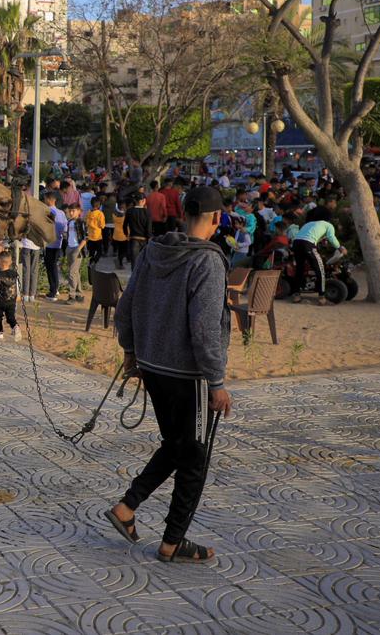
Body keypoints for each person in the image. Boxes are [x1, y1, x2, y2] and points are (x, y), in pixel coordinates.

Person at [107, 185, 232, 564]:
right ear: (215, 218)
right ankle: (173, 541)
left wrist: (131, 351)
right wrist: (217, 382)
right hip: (189, 375)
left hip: (153, 368)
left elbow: (125, 306)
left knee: (177, 445)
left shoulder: (152, 251)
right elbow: (205, 328)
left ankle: (127, 508)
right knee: (194, 456)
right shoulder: (207, 261)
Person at [291, 214, 341, 305]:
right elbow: (331, 237)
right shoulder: (328, 225)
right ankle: (322, 297)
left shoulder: (310, 224)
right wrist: (340, 247)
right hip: (308, 244)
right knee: (320, 270)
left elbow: (311, 237)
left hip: (296, 243)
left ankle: (296, 295)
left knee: (299, 269)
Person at [43, 200, 67, 301]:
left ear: (48, 200)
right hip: (58, 243)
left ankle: (53, 292)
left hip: (49, 244)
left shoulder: (47, 211)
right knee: (54, 267)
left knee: (50, 267)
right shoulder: (61, 212)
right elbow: (64, 228)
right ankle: (55, 289)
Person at [62, 203, 85, 302]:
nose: (71, 213)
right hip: (70, 248)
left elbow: (85, 237)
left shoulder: (81, 222)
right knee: (75, 272)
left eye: (73, 211)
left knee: (71, 273)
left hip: (77, 249)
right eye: (70, 211)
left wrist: (78, 249)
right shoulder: (69, 222)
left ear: (79, 211)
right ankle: (79, 294)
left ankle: (72, 296)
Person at [126, 193, 151, 262]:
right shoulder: (147, 212)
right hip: (144, 239)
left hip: (133, 239)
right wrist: (149, 238)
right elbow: (149, 228)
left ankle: (134, 272)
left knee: (134, 261)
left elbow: (125, 225)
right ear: (143, 200)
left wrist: (126, 234)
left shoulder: (129, 211)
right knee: (144, 261)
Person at [85, 199, 107, 266]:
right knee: (99, 251)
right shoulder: (100, 214)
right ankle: (95, 261)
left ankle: (91, 263)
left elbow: (86, 223)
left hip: (90, 236)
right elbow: (102, 226)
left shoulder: (88, 213)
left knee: (91, 252)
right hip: (97, 236)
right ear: (99, 206)